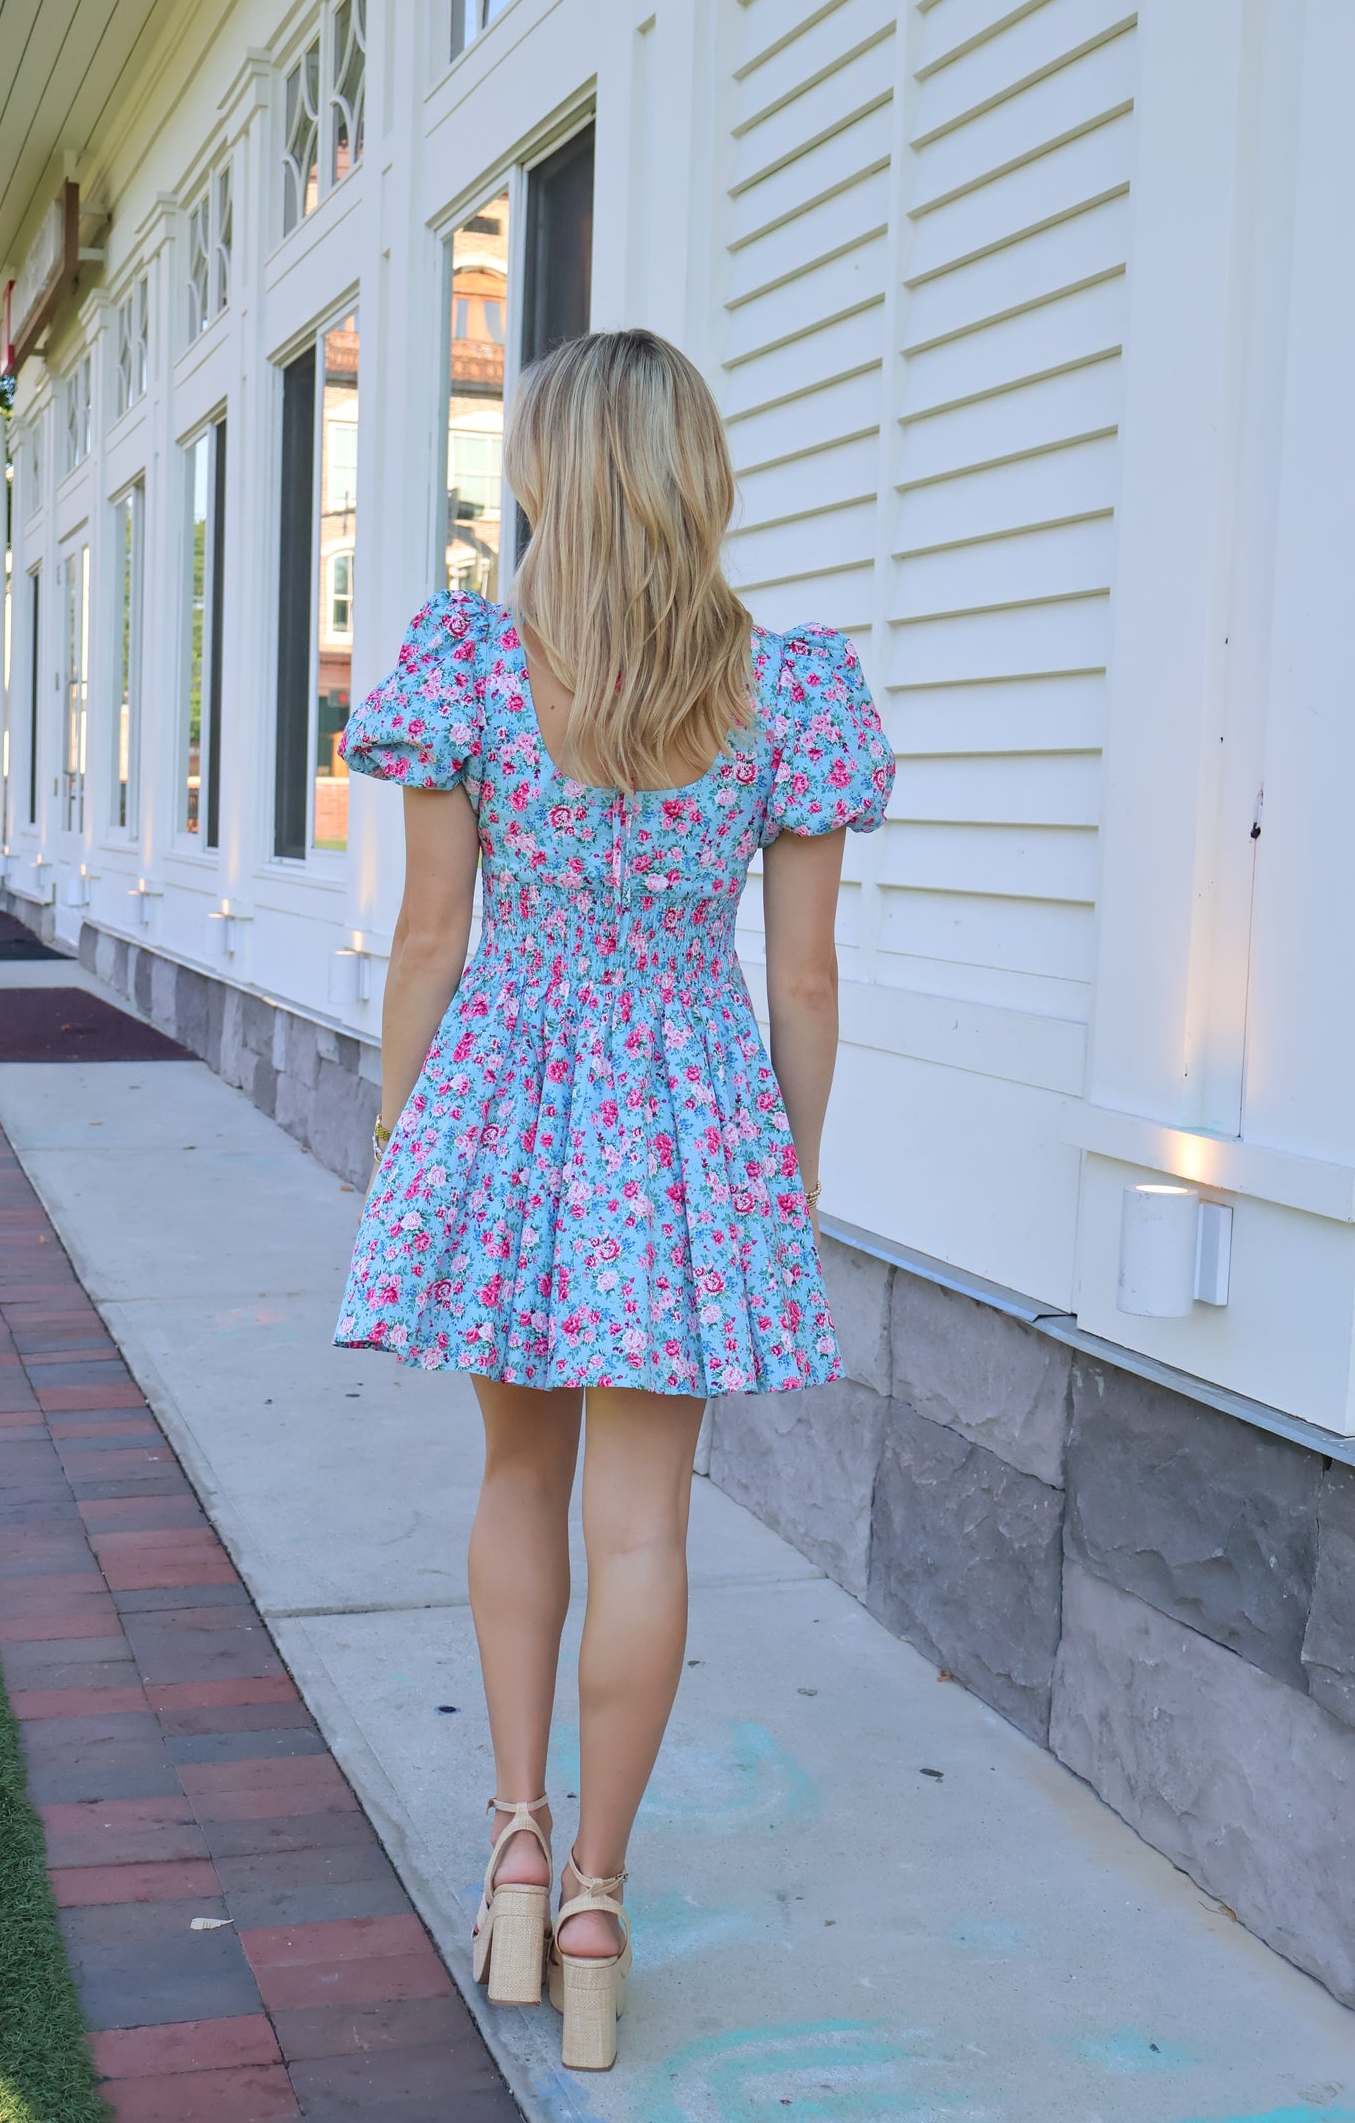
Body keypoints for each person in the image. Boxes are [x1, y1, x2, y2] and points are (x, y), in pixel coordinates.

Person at [334, 328, 894, 2070]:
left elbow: (431, 935)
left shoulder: (469, 664)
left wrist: (396, 1124)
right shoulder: (791, 686)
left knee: (518, 1475)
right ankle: (593, 1897)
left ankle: (509, 1847)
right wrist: (775, 1184)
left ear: (547, 476)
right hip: (691, 1119)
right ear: (694, 474)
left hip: (506, 1101)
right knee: (643, 1525)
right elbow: (801, 983)